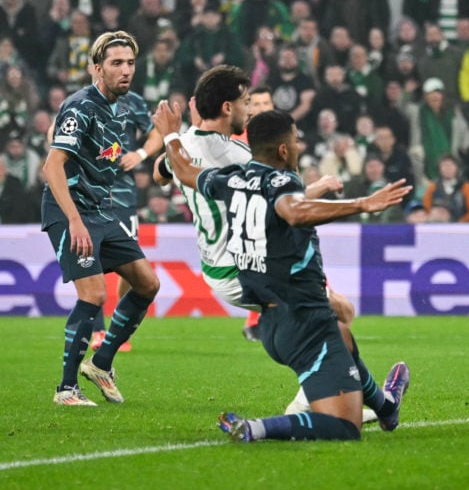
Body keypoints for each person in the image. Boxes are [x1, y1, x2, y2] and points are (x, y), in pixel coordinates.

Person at [155, 103, 412, 441]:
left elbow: (186, 172)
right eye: (295, 141)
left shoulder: (232, 178)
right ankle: (256, 428)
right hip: (306, 322)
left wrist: (171, 135)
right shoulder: (283, 180)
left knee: (344, 333)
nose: (299, 147)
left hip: (274, 325)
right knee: (345, 428)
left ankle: (386, 405)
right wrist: (363, 203)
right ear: (282, 149)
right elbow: (293, 210)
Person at [41, 31, 161, 406]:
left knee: (147, 284)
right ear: (97, 68)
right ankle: (66, 389)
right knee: (93, 294)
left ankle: (102, 363)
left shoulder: (124, 107)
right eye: (116, 64)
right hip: (70, 211)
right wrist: (74, 221)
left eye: (130, 63)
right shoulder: (79, 107)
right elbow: (51, 166)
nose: (126, 70)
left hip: (102, 210)